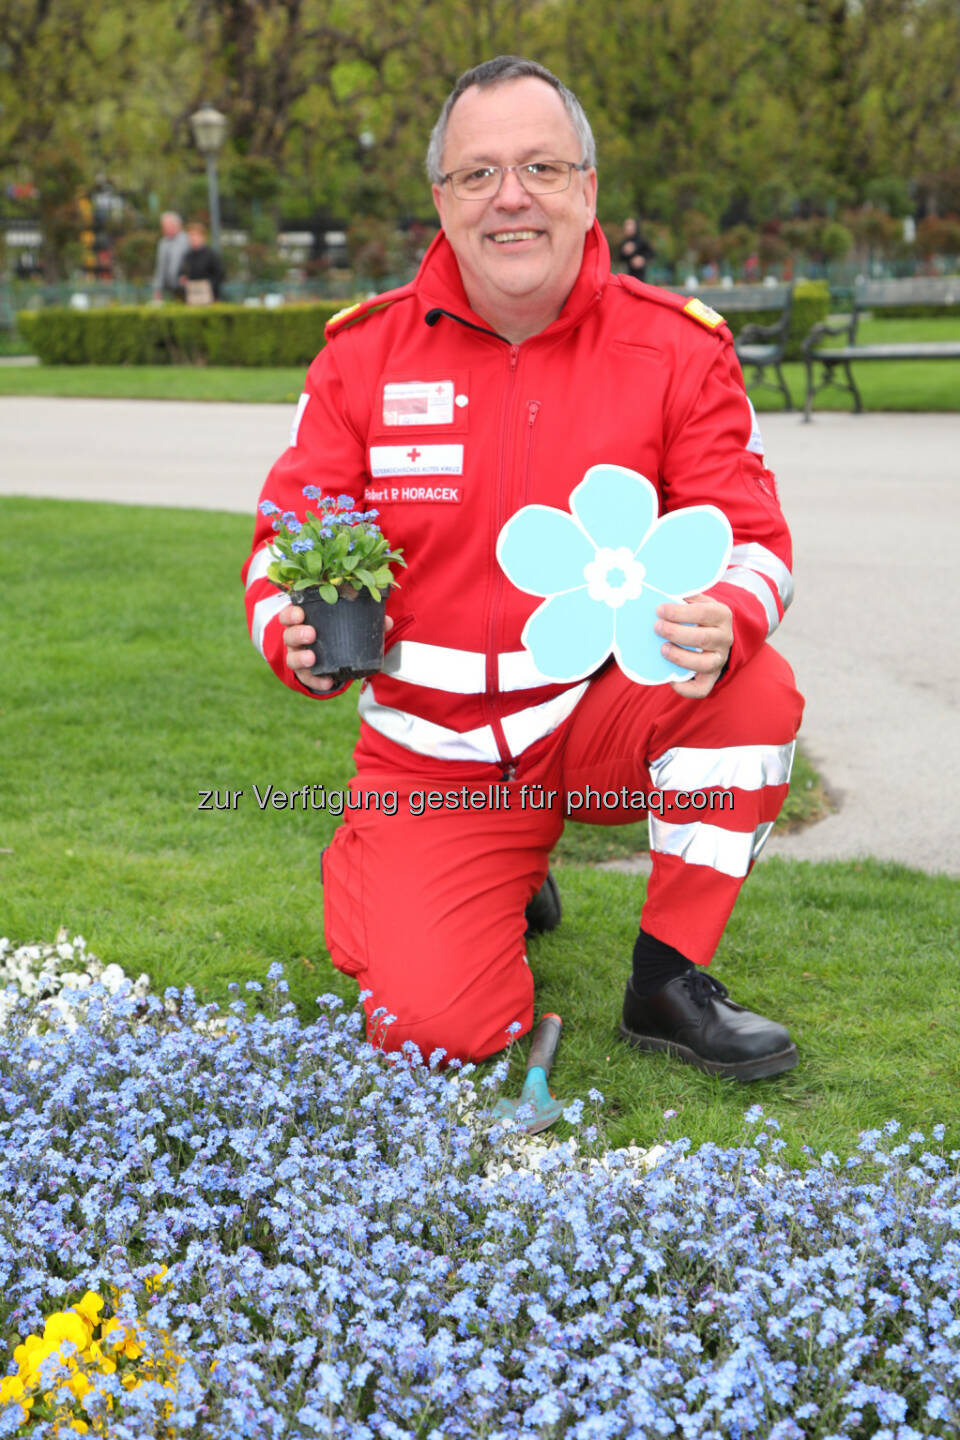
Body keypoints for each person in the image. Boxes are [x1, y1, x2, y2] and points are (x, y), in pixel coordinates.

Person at [243, 56, 804, 1078]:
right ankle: (420, 866)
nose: (512, 196)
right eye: (479, 173)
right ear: (441, 199)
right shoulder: (361, 355)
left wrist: (730, 614)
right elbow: (286, 537)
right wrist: (290, 632)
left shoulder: (676, 348)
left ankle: (669, 979)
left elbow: (754, 538)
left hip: (593, 716)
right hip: (436, 759)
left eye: (542, 167)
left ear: (587, 190)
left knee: (751, 694)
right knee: (435, 1035)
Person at [178, 220, 224, 303]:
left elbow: (219, 274)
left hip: (210, 297)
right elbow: (182, 272)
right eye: (191, 235)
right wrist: (182, 278)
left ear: (203, 237)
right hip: (191, 297)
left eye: (196, 235)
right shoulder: (187, 255)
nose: (193, 238)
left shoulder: (211, 254)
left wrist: (208, 285)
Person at [151, 212, 190, 302]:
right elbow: (160, 266)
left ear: (176, 225)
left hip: (185, 286)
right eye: (163, 226)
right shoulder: (163, 242)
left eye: (166, 226)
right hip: (169, 288)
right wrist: (157, 288)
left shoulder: (187, 240)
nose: (163, 229)